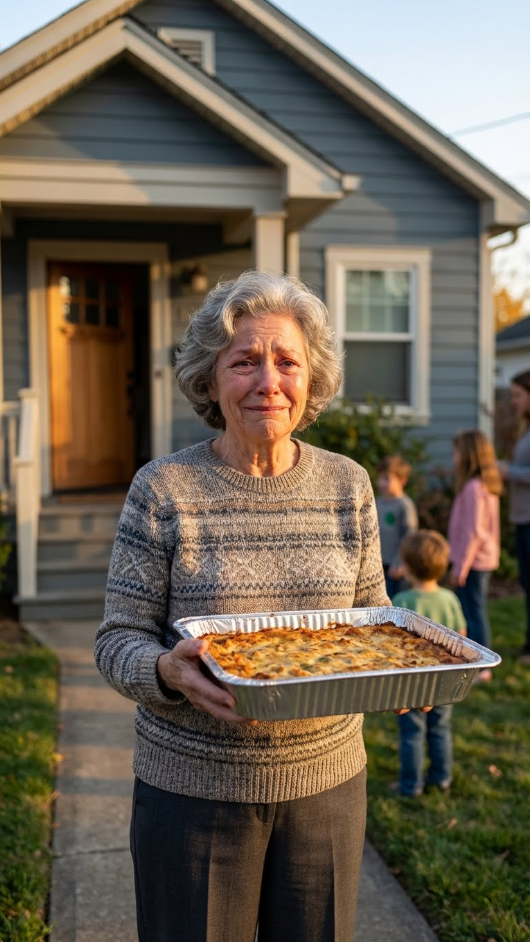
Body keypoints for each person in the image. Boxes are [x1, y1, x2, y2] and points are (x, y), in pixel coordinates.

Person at [94, 271, 394, 942]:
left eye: (287, 361)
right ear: (209, 380)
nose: (269, 380)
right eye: (245, 361)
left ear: (311, 379)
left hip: (327, 787)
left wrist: (401, 678)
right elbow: (117, 641)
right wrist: (168, 672)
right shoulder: (163, 490)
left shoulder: (348, 486)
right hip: (191, 792)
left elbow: (374, 616)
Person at [391, 530, 467, 797]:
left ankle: (411, 786)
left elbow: (393, 645)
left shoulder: (402, 603)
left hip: (410, 683)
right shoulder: (450, 599)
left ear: (408, 569)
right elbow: (462, 637)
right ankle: (442, 777)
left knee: (412, 732)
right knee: (440, 728)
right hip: (443, 682)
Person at [447, 429, 501, 681]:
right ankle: (477, 658)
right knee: (472, 608)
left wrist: (461, 566)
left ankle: (484, 664)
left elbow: (474, 532)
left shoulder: (473, 488)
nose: (454, 457)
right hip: (478, 561)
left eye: (457, 452)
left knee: (474, 611)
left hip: (474, 563)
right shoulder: (482, 486)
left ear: (469, 455)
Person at [498, 370, 530, 664]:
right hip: (523, 517)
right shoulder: (525, 430)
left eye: (518, 395)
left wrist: (509, 472)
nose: (514, 401)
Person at [375, 454, 418, 597]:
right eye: (380, 478)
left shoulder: (404, 505)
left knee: (394, 601)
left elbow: (409, 536)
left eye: (386, 479)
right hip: (378, 563)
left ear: (402, 480)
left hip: (395, 567)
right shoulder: (377, 502)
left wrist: (400, 562)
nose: (381, 483)